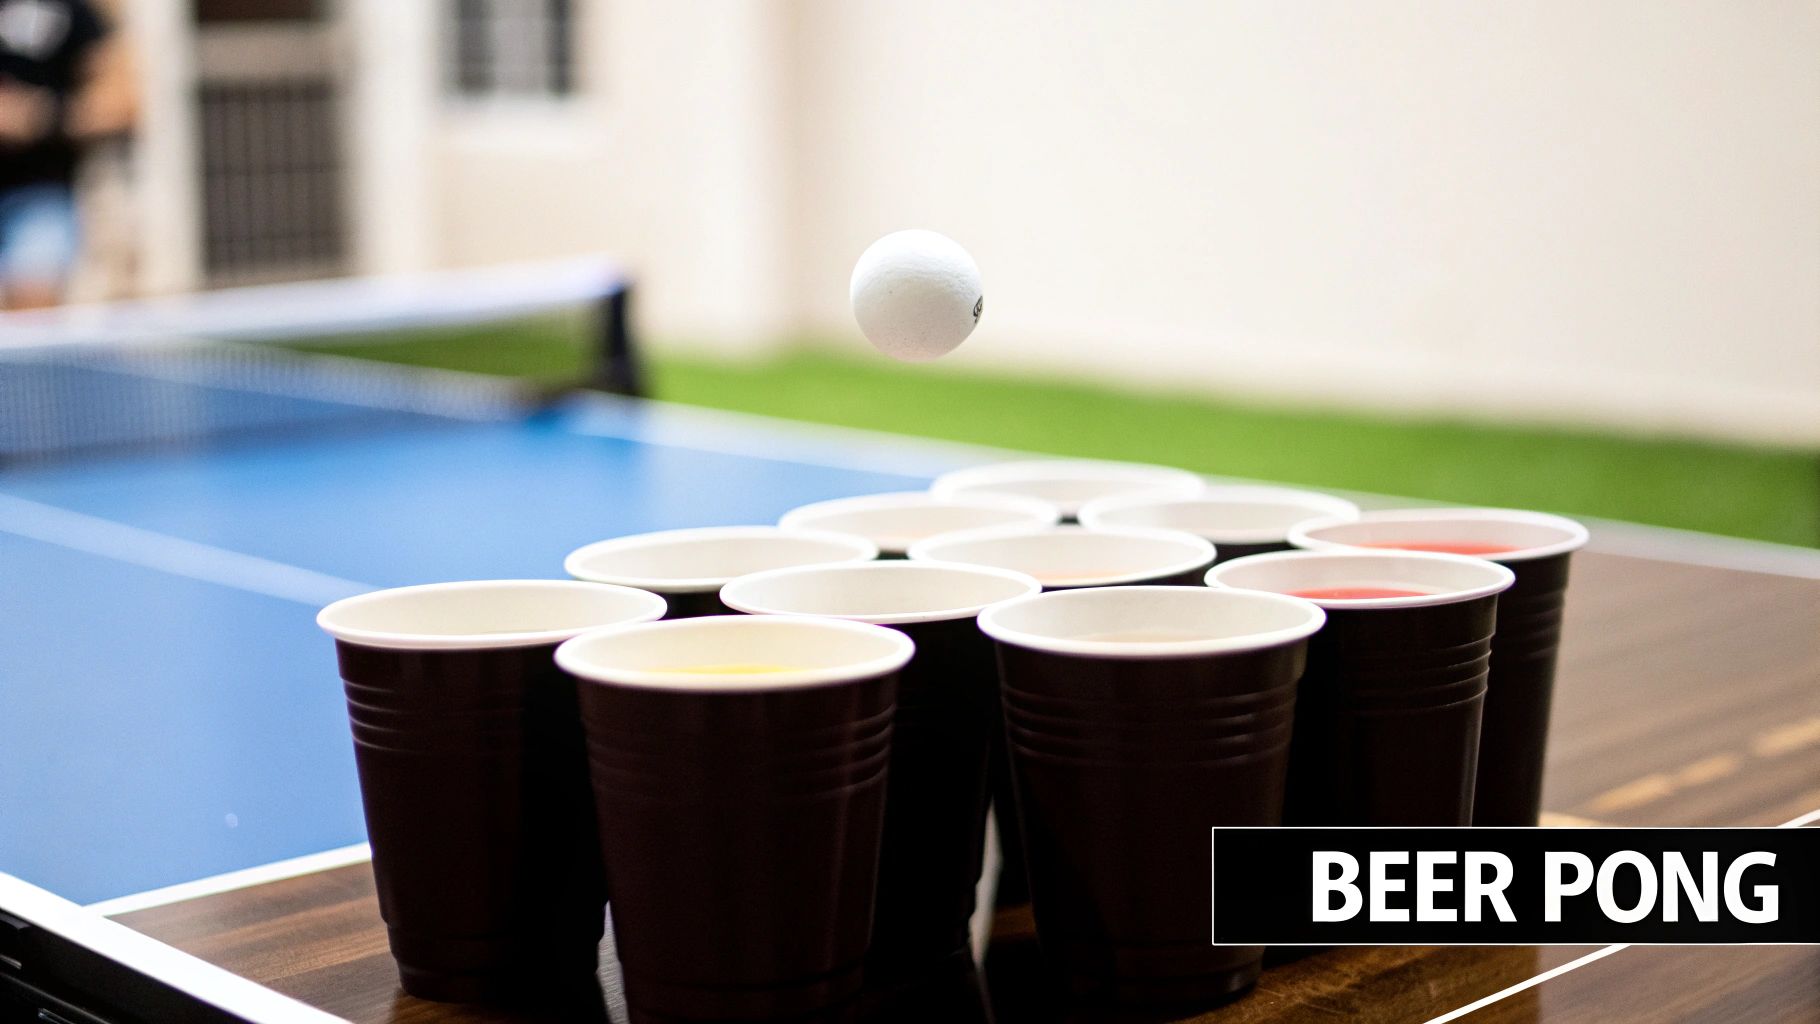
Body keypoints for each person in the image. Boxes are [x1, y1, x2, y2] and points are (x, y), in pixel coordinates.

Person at [0, 0, 134, 310]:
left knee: (33, 317)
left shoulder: (71, 12)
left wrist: (39, 116)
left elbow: (124, 101)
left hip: (38, 196)